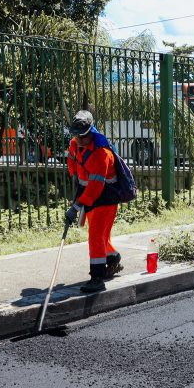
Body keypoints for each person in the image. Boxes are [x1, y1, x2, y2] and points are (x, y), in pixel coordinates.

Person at [66, 110, 122, 293]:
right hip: (88, 194)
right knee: (101, 236)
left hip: (105, 198)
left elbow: (96, 187)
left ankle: (97, 278)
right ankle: (112, 259)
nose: (79, 140)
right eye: (76, 136)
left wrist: (76, 206)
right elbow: (73, 166)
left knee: (96, 237)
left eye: (83, 136)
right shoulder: (74, 144)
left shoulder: (102, 153)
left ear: (92, 132)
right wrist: (76, 195)